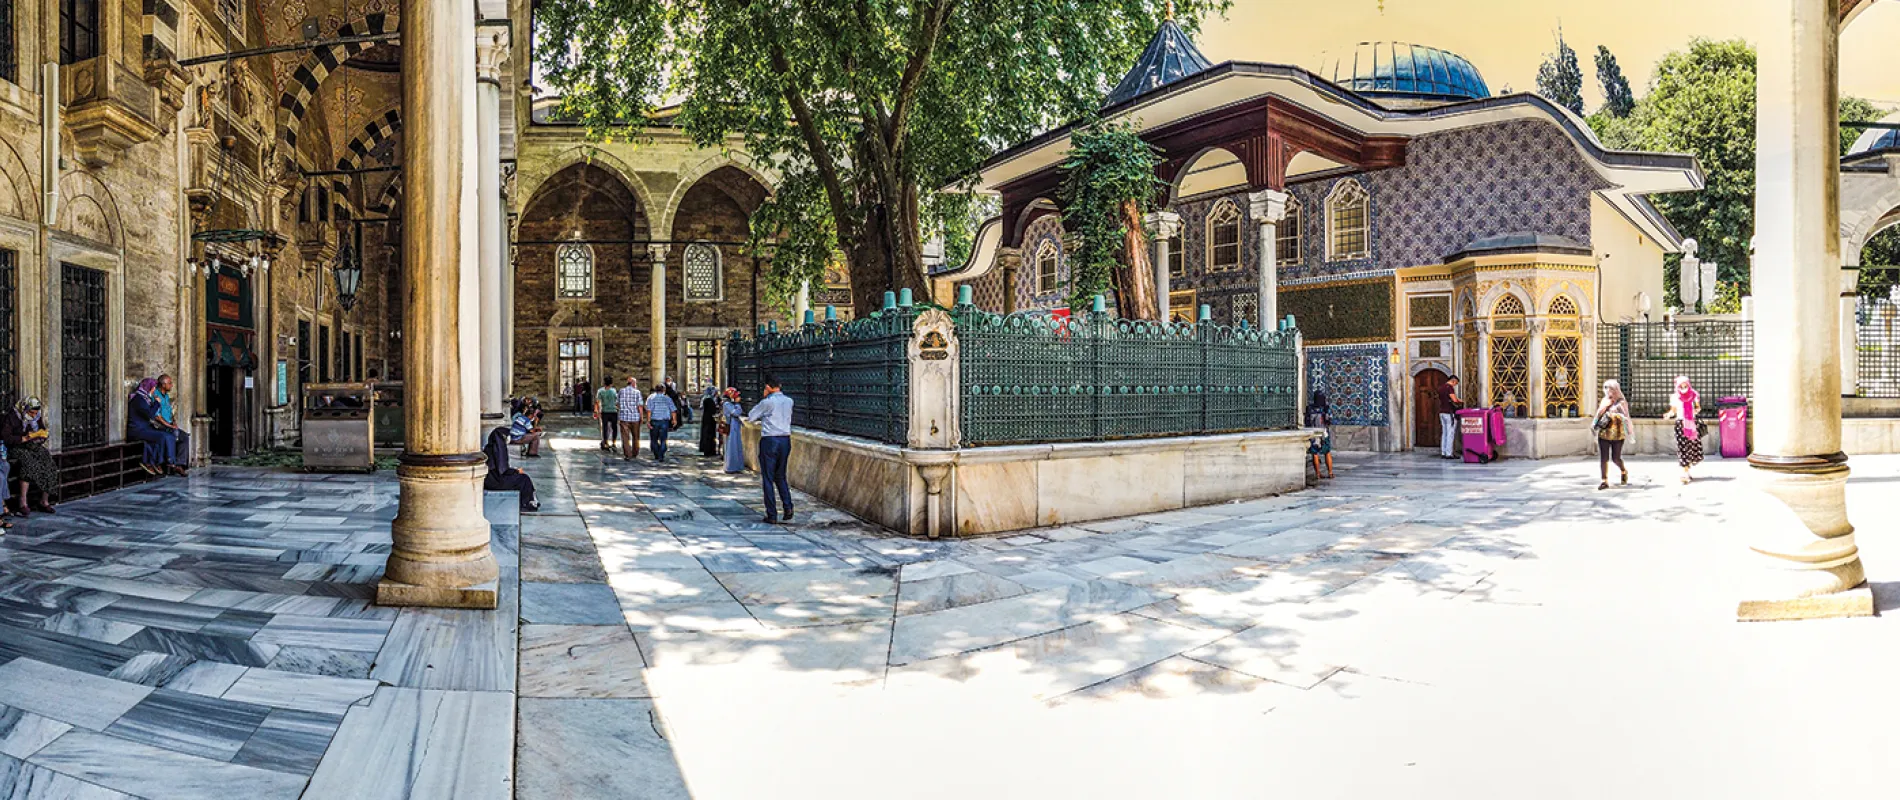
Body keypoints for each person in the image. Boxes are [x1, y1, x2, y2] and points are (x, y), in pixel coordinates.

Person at [747, 377, 795, 523]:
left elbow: (751, 416)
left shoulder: (767, 402)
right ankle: (788, 506)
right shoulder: (789, 401)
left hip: (770, 440)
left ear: (768, 387)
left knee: (768, 477)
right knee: (780, 475)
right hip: (785, 439)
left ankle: (772, 514)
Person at [2, 398, 58, 516]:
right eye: (31, 412)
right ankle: (23, 502)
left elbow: (42, 429)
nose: (33, 415)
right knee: (28, 462)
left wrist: (41, 436)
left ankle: (44, 500)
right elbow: (6, 437)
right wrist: (23, 438)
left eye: (35, 413)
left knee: (48, 461)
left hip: (32, 445)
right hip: (16, 447)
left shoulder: (36, 417)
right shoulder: (12, 416)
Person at [127, 378, 177, 475]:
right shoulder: (139, 399)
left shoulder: (145, 398)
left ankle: (155, 462)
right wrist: (157, 403)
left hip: (144, 428)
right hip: (137, 430)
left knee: (164, 436)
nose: (154, 390)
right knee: (164, 436)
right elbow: (150, 414)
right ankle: (165, 461)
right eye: (153, 387)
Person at [483, 427, 539, 512]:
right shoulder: (499, 450)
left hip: (491, 480)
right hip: (496, 482)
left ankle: (530, 501)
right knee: (524, 479)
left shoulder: (489, 448)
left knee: (520, 478)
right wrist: (516, 471)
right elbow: (503, 470)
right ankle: (527, 503)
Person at [1664, 374, 1703, 483]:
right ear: (1677, 386)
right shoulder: (1674, 397)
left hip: (1691, 423)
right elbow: (1673, 410)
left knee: (1691, 447)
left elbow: (1698, 407)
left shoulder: (1694, 395)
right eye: (1681, 386)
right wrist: (1668, 414)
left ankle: (1687, 470)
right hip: (1680, 423)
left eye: (1685, 385)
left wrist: (1695, 411)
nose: (1683, 388)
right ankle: (1685, 472)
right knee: (1682, 447)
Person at [1593, 379, 1631, 491]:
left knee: (1616, 458)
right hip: (1604, 432)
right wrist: (1604, 409)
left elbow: (1625, 416)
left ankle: (1623, 470)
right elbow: (1598, 414)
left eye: (1612, 390)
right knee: (1604, 457)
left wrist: (1615, 414)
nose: (1610, 392)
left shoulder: (1622, 402)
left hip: (1618, 434)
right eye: (1608, 389)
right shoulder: (1605, 401)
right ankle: (1604, 481)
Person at [156, 374, 190, 474]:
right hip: (161, 426)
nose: (171, 385)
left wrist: (173, 422)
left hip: (169, 424)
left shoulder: (166, 396)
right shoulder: (156, 396)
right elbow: (157, 416)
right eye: (169, 383)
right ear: (163, 384)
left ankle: (180, 464)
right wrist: (170, 426)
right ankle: (172, 463)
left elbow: (170, 412)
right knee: (172, 436)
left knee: (184, 437)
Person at [644, 385, 680, 461]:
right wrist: (674, 420)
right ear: (663, 390)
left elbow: (649, 410)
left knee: (654, 439)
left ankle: (657, 453)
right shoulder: (667, 398)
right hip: (664, 421)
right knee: (663, 439)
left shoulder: (651, 398)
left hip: (654, 420)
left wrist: (648, 421)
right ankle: (661, 454)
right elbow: (673, 410)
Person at [1306, 390, 1334, 480]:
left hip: (1314, 433)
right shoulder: (1326, 408)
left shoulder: (1310, 408)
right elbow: (1329, 420)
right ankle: (1330, 473)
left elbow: (1307, 420)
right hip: (1324, 432)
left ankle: (1318, 473)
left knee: (1315, 453)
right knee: (1327, 452)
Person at [616, 377, 644, 461]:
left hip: (624, 418)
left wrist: (621, 410)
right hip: (635, 417)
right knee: (636, 436)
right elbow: (640, 406)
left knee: (625, 437)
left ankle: (627, 454)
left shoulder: (621, 391)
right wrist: (641, 417)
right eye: (635, 383)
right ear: (633, 383)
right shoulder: (637, 392)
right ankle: (635, 453)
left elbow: (617, 403)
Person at [1436, 375, 1463, 459]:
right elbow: (1454, 399)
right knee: (1450, 433)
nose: (1455, 385)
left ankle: (1443, 452)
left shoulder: (1441, 388)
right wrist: (1460, 400)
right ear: (1453, 381)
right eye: (1456, 383)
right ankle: (1449, 453)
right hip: (1449, 413)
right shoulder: (1449, 388)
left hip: (1442, 412)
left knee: (1444, 432)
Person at [722, 388, 746, 474]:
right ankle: (730, 466)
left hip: (735, 426)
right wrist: (737, 404)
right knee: (732, 446)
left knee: (737, 446)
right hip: (731, 427)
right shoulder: (727, 404)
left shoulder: (730, 404)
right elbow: (736, 413)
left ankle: (737, 466)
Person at [593, 376, 619, 451]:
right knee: (614, 428)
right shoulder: (614, 391)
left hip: (604, 411)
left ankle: (606, 443)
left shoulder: (600, 391)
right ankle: (614, 443)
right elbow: (616, 402)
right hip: (613, 411)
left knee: (605, 428)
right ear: (611, 383)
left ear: (604, 382)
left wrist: (596, 411)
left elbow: (597, 402)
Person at [697, 385, 721, 457]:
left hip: (706, 418)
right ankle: (709, 450)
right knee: (709, 434)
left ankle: (708, 449)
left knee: (707, 433)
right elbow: (712, 410)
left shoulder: (707, 398)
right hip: (709, 419)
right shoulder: (709, 400)